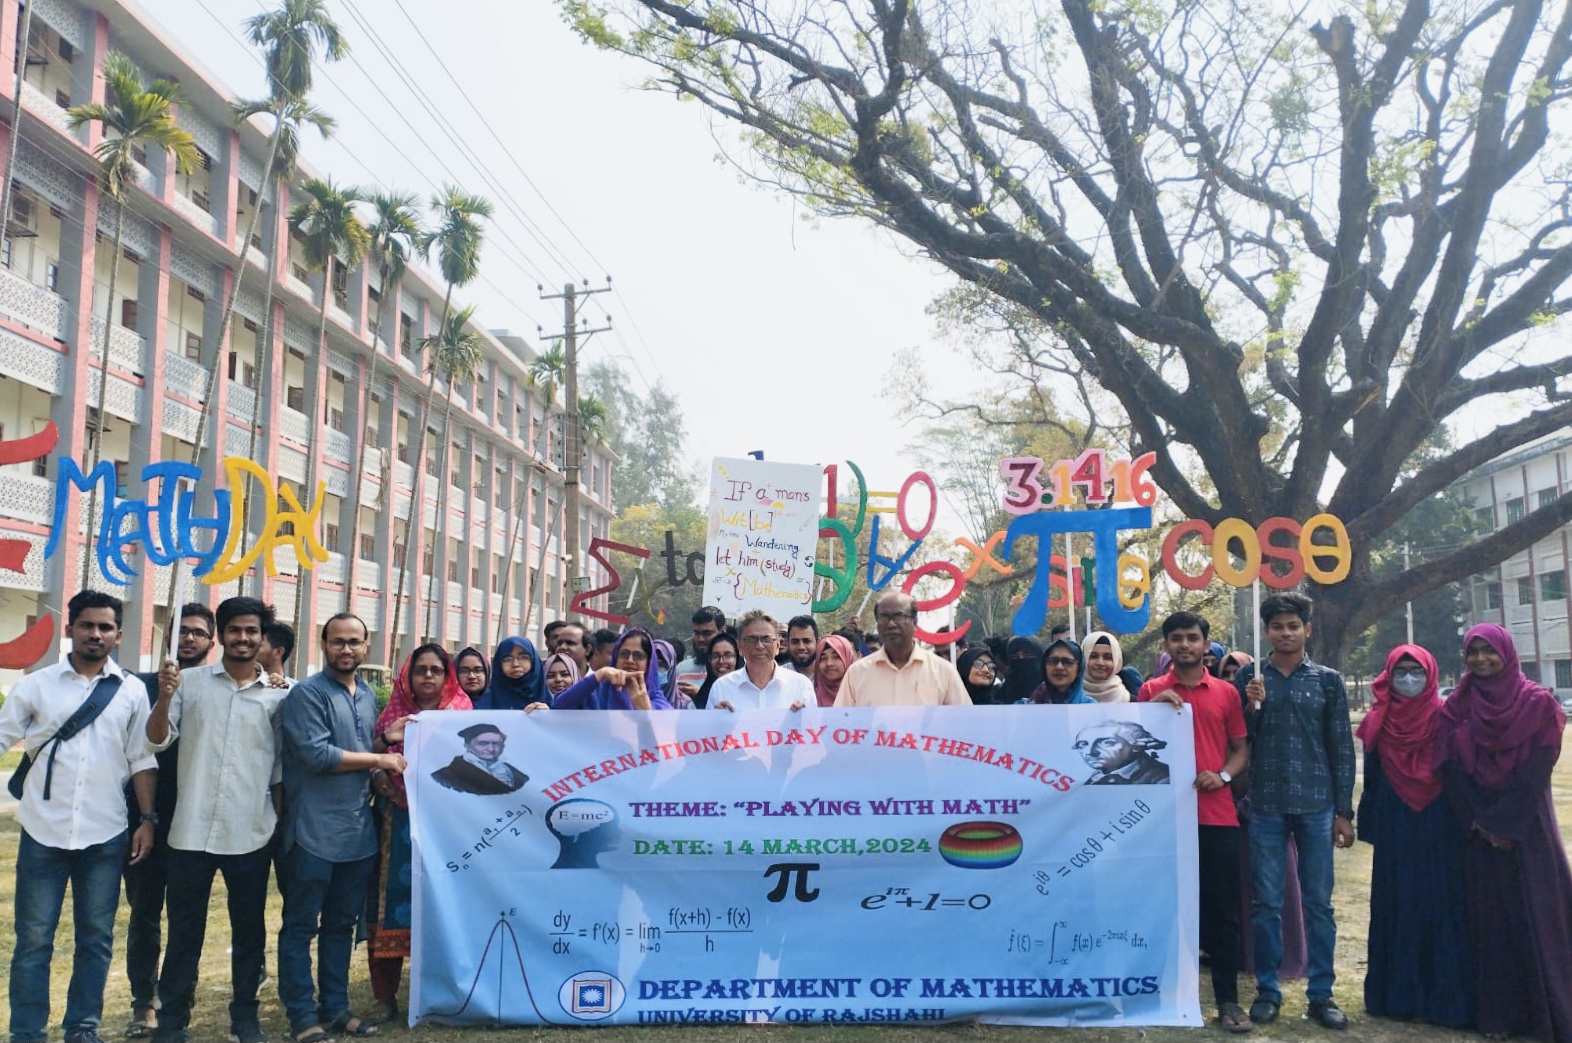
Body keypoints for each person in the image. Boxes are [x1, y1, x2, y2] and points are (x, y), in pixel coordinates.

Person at [2, 590, 157, 1043]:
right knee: (32, 942)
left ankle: (83, 1028)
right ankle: (27, 1032)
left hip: (104, 835)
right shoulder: (37, 685)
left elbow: (142, 759)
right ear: (70, 628)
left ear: (118, 635)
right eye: (87, 625)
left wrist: (147, 818)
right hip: (43, 833)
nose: (96, 634)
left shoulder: (130, 691)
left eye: (105, 627)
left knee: (96, 939)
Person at [145, 597, 289, 1043]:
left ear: (263, 639)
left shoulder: (281, 695)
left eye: (251, 631)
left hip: (250, 832)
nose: (243, 638)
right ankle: (171, 1022)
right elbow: (156, 742)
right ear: (220, 635)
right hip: (190, 831)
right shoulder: (188, 683)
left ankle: (245, 1017)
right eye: (234, 630)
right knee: (184, 933)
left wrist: (281, 827)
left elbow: (281, 770)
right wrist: (165, 698)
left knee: (249, 933)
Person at [1436, 624, 1572, 1043]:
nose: (1480, 659)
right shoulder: (1457, 706)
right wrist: (1478, 820)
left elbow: (1538, 768)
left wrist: (1505, 824)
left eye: (1488, 651)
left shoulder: (1538, 703)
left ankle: (1544, 1013)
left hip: (1526, 827)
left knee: (1536, 915)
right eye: (1472, 652)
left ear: (1507, 653)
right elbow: (1450, 767)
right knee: (1489, 921)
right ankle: (1498, 1014)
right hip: (1477, 831)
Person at [278, 613, 408, 1043]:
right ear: (322, 644)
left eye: (354, 642)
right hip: (312, 832)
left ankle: (334, 1008)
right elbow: (317, 755)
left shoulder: (368, 694)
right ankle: (301, 1015)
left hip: (357, 834)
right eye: (338, 641)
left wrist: (385, 744)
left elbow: (359, 752)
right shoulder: (306, 694)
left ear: (366, 647)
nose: (346, 649)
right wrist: (380, 759)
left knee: (339, 926)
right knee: (300, 927)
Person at [1234, 591, 1354, 1030]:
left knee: (1318, 904)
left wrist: (1345, 811)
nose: (1285, 633)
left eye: (1292, 625)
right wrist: (1250, 706)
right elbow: (1240, 742)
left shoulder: (1327, 681)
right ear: (1266, 631)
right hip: (1265, 804)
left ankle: (1321, 994)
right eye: (1277, 626)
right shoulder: (1250, 676)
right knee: (1266, 903)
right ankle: (1268, 989)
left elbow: (1341, 748)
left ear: (1307, 628)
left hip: (1316, 804)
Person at [1141, 611, 1251, 1033]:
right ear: (1166, 645)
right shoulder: (1150, 690)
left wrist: (1222, 775)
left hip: (1216, 815)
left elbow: (1241, 749)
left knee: (1223, 911)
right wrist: (1150, 710)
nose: (1184, 645)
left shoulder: (1226, 693)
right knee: (1167, 908)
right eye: (1176, 638)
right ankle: (1166, 995)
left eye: (1192, 638)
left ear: (1206, 644)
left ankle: (1228, 1001)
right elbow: (1131, 747)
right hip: (1164, 820)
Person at [1355, 644, 1474, 1028]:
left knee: (1441, 905)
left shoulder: (1448, 718)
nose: (1408, 679)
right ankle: (1396, 996)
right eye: (1401, 672)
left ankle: (1444, 998)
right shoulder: (1379, 720)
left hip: (1440, 824)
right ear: (1389, 675)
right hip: (1395, 826)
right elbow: (1371, 780)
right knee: (1397, 904)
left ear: (1431, 675)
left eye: (1416, 672)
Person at [365, 645, 471, 1023]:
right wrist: (380, 775)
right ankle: (384, 996)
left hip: (447, 825)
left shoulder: (462, 713)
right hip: (396, 821)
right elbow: (369, 754)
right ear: (407, 677)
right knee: (388, 903)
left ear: (447, 676)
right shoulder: (393, 714)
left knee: (445, 902)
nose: (428, 677)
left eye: (436, 670)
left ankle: (442, 993)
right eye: (420, 670)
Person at [124, 602, 214, 1039]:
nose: (189, 639)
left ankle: (180, 998)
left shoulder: (216, 688)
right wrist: (145, 816)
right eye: (181, 632)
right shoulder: (136, 689)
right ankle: (144, 1002)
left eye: (198, 632)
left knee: (187, 917)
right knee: (143, 913)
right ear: (166, 639)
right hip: (143, 819)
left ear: (210, 641)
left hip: (194, 823)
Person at [835, 592, 972, 706]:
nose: (891, 624)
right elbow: (840, 725)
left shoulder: (944, 672)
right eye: (884, 617)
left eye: (899, 616)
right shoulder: (856, 673)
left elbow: (961, 725)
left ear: (914, 622)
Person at [710, 610, 814, 711]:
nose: (759, 646)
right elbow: (709, 728)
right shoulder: (721, 688)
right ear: (740, 646)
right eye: (751, 639)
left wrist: (805, 717)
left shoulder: (801, 686)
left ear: (777, 645)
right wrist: (716, 719)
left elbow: (814, 727)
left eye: (766, 639)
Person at [553, 629, 673, 709]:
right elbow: (558, 706)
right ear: (616, 658)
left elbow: (666, 737)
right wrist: (599, 675)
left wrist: (646, 709)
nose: (630, 660)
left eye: (638, 656)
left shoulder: (656, 698)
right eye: (624, 654)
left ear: (649, 663)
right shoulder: (597, 691)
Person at [1073, 721, 1171, 784]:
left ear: (1136, 746)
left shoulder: (1162, 778)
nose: (1090, 752)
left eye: (1107, 743)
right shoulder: (1093, 777)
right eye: (1082, 745)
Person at [475, 636, 545, 711]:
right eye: (507, 659)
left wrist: (548, 715)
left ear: (534, 661)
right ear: (499, 664)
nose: (515, 664)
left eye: (523, 657)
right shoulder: (485, 702)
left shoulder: (550, 700)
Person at [675, 606, 726, 700]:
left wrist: (700, 695)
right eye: (697, 633)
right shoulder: (681, 669)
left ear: (722, 632)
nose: (700, 639)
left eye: (707, 633)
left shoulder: (733, 668)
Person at [1023, 638, 1094, 704]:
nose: (1059, 667)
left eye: (1067, 662)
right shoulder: (1023, 709)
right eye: (1053, 661)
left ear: (1079, 668)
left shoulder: (1091, 708)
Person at [1082, 631, 1138, 702]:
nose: (1100, 663)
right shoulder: (1068, 696)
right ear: (1083, 658)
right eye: (1093, 656)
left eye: (1108, 657)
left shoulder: (1128, 700)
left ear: (1116, 661)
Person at [692, 632, 739, 710]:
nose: (721, 661)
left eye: (727, 655)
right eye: (715, 656)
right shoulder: (702, 696)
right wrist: (714, 714)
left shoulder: (748, 689)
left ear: (737, 658)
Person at [812, 634, 858, 708]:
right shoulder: (809, 698)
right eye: (823, 658)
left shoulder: (861, 695)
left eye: (836, 657)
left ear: (848, 658)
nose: (829, 663)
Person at [996, 636, 1043, 704]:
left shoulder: (1048, 693)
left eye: (1027, 654)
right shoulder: (999, 693)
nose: (1021, 658)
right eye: (1015, 656)